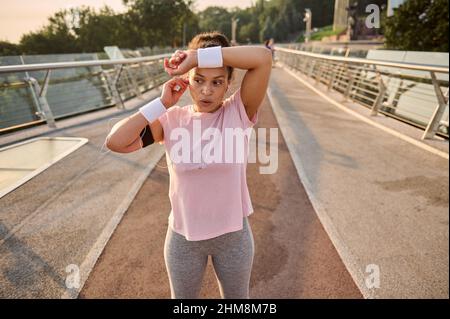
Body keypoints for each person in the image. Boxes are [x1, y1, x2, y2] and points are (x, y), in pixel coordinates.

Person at [105, 31, 272, 299]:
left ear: (229, 83)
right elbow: (115, 141)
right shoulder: (171, 119)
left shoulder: (238, 112)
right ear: (187, 80)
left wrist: (195, 57)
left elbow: (263, 58)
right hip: (183, 238)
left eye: (217, 82)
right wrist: (161, 104)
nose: (207, 90)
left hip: (233, 237)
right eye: (199, 80)